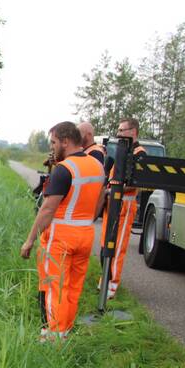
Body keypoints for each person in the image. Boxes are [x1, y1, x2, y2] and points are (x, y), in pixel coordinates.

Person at [21, 121, 105, 342]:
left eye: (54, 142)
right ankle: (65, 331)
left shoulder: (64, 170)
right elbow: (100, 200)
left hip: (61, 237)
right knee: (73, 288)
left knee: (55, 287)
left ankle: (54, 338)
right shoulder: (98, 166)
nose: (53, 146)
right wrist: (88, 220)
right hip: (86, 235)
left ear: (66, 141)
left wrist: (29, 240)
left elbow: (47, 209)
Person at [96, 117, 147, 300]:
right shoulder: (122, 150)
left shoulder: (139, 154)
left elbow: (134, 182)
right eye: (118, 130)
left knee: (117, 248)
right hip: (112, 203)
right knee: (105, 245)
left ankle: (112, 284)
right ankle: (105, 278)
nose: (118, 134)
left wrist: (114, 189)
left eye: (122, 130)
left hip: (125, 204)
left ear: (133, 131)